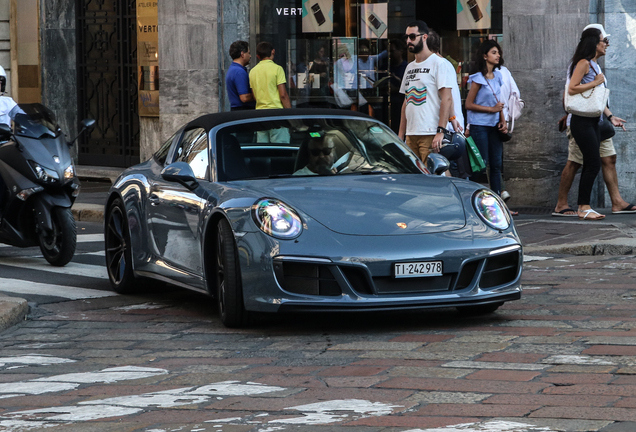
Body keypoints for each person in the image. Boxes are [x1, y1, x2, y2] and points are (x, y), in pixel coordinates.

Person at [553, 24, 631, 218]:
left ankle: (586, 206)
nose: (607, 44)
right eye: (605, 41)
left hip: (593, 120)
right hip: (581, 120)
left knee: (594, 162)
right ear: (594, 43)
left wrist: (610, 116)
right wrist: (595, 82)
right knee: (588, 163)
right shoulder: (584, 63)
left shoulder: (594, 65)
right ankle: (581, 207)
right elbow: (571, 89)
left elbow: (596, 97)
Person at [397, 20, 454, 163]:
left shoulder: (439, 63)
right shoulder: (409, 67)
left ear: (424, 37)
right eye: (406, 38)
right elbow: (406, 101)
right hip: (411, 134)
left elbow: (446, 98)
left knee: (434, 174)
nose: (408, 41)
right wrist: (401, 134)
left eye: (412, 37)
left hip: (429, 132)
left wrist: (441, 131)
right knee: (416, 179)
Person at [465, 39, 508, 196]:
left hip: (494, 125)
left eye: (498, 53)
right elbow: (468, 104)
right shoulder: (477, 78)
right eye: (494, 52)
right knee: (481, 164)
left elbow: (499, 101)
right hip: (479, 125)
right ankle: (471, 195)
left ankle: (498, 200)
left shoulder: (497, 76)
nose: (497, 56)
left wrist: (502, 119)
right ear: (485, 56)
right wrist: (491, 110)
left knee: (496, 164)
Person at [249, 41, 291, 142]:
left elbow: (254, 96)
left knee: (263, 150)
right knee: (280, 149)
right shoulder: (277, 69)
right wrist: (290, 113)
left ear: (258, 56)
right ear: (273, 51)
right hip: (276, 114)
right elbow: (283, 95)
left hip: (260, 115)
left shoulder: (252, 72)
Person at [225, 41, 255, 111]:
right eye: (248, 53)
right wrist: (258, 94)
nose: (250, 56)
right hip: (243, 111)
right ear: (242, 54)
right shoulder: (239, 72)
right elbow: (244, 97)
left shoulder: (232, 69)